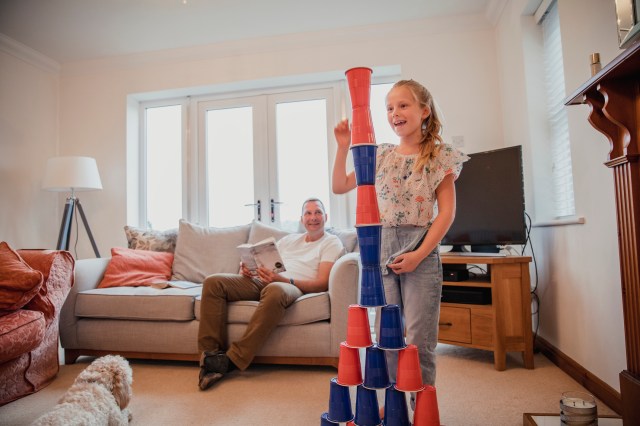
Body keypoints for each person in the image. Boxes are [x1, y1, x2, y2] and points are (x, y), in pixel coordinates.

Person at [332, 80, 468, 398]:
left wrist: (419, 255)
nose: (395, 113)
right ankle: (396, 410)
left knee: (420, 339)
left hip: (420, 248)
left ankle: (421, 408)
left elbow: (446, 214)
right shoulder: (381, 155)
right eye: (389, 108)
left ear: (424, 110)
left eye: (403, 105)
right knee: (389, 335)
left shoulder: (441, 156)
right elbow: (340, 186)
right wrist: (342, 147)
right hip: (383, 250)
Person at [197, 198, 345, 390]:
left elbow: (321, 283)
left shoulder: (331, 242)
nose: (313, 217)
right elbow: (264, 264)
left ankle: (232, 359)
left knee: (274, 290)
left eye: (317, 212)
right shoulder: (288, 240)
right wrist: (250, 270)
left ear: (325, 217)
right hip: (264, 280)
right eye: (308, 213)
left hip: (291, 285)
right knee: (213, 282)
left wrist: (283, 281)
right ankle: (209, 358)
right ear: (302, 219)